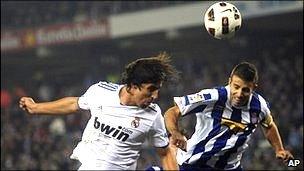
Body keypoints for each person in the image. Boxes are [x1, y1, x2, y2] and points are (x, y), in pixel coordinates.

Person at [19, 52, 179, 170]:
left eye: (158, 90)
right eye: (150, 90)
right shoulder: (101, 91)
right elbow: (75, 104)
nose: (155, 96)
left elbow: (165, 153)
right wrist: (36, 107)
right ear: (133, 86)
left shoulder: (153, 115)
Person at [164, 62, 294, 170]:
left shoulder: (259, 106)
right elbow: (172, 112)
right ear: (230, 81)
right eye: (236, 87)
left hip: (230, 167)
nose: (239, 93)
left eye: (245, 90)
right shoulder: (214, 97)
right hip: (196, 164)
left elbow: (269, 125)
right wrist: (175, 132)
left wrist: (279, 149)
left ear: (254, 88)